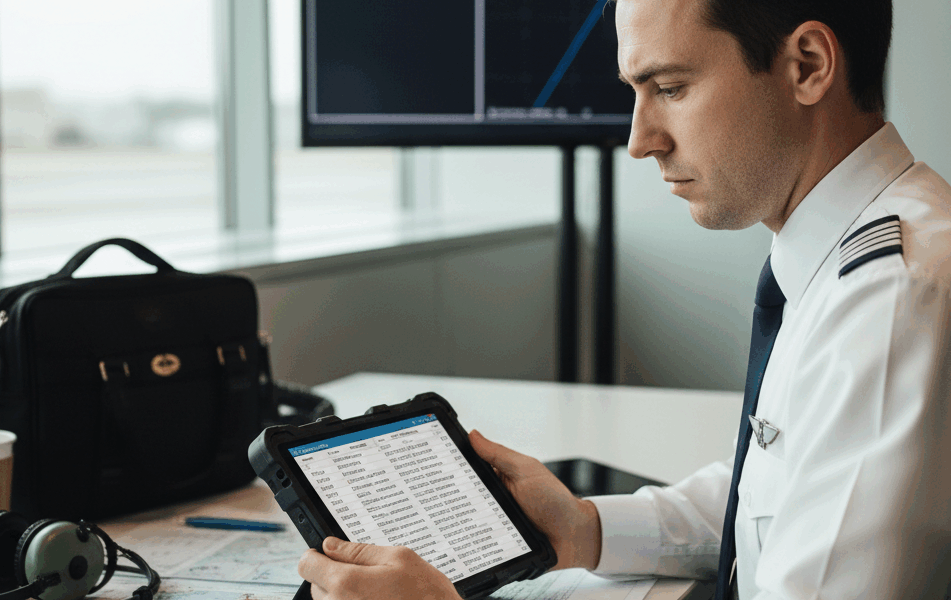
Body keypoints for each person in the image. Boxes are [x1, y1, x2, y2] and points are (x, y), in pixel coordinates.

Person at [297, 0, 951, 598]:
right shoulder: (845, 259)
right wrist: (581, 528)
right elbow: (779, 491)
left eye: (670, 88)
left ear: (807, 66)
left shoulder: (890, 301)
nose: (640, 141)